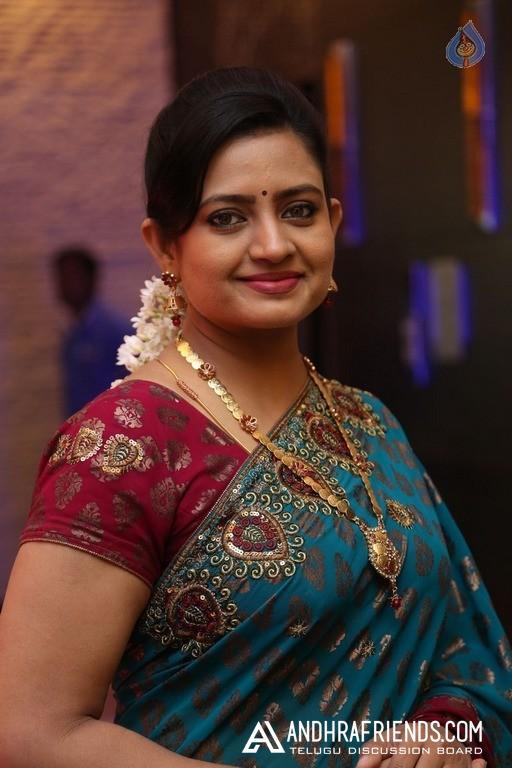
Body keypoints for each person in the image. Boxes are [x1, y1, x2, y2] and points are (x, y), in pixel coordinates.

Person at [0, 67, 510, 768]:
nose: (273, 245)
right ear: (164, 246)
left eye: (299, 210)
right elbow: (31, 732)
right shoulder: (122, 445)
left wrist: (446, 730)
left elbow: (465, 648)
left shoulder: (369, 421)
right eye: (227, 218)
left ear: (332, 223)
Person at [53, 246, 131, 416]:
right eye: (60, 277)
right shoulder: (73, 334)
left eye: (72, 277)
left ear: (91, 279)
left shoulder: (114, 331)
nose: (64, 285)